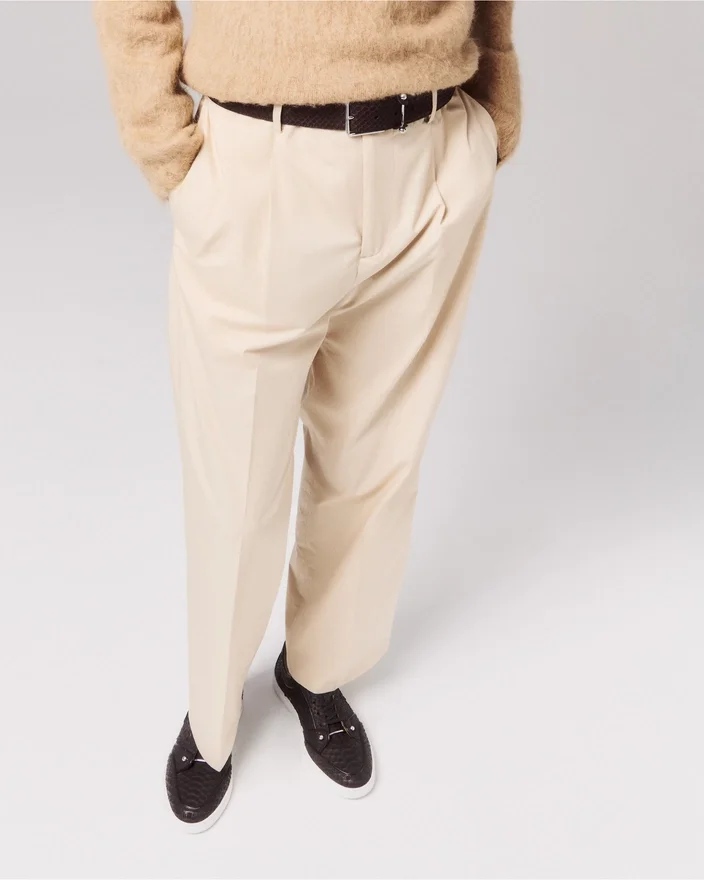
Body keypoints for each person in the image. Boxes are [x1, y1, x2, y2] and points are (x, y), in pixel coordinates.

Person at [93, 0, 521, 832]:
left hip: (429, 151)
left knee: (376, 462)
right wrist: (165, 145)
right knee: (235, 488)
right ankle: (213, 720)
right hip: (264, 162)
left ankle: (318, 669)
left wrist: (495, 81)